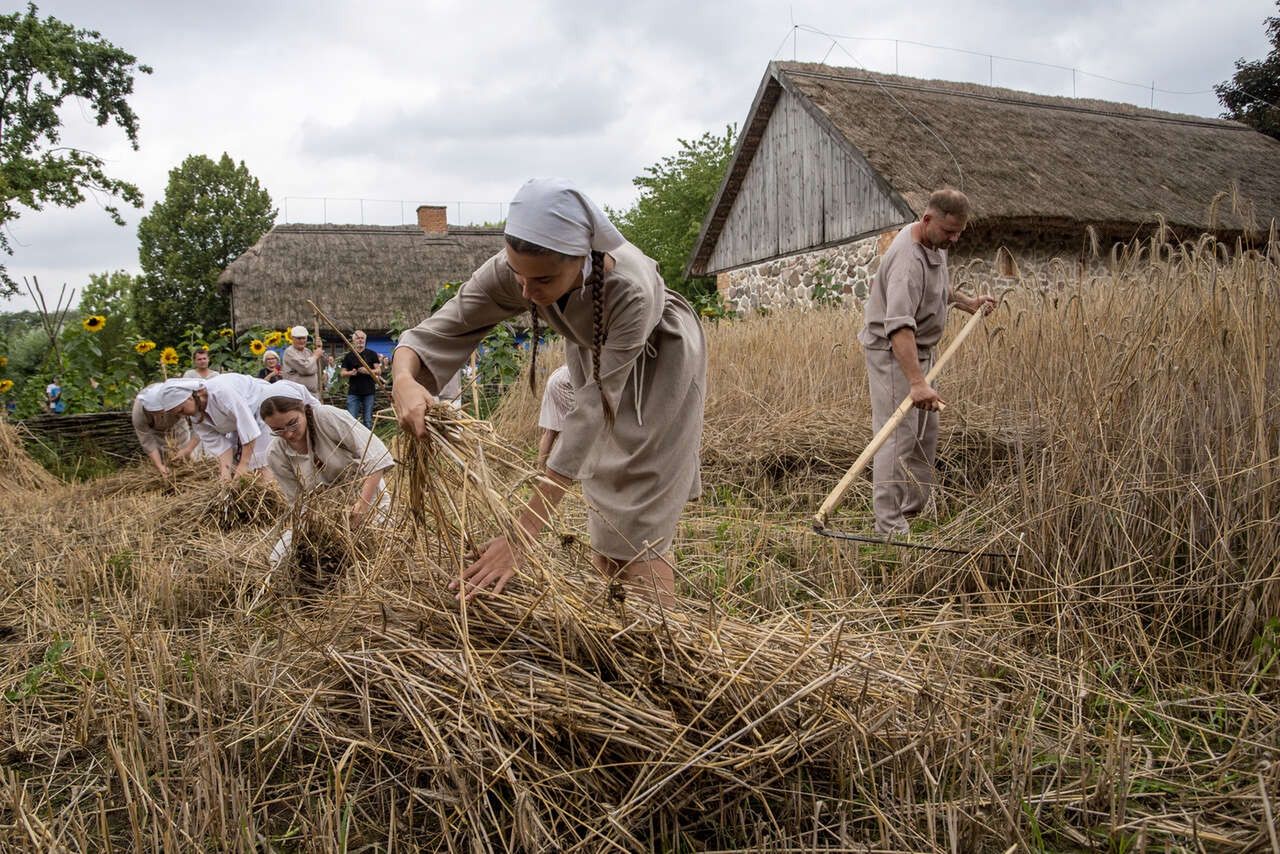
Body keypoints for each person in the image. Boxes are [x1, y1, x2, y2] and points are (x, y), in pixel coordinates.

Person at [393, 178, 706, 606]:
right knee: (605, 494)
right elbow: (440, 328)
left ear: (583, 258)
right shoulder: (520, 270)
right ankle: (616, 633)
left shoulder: (628, 289)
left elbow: (593, 409)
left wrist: (521, 536)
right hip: (594, 354)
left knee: (641, 515)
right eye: (516, 273)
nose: (525, 291)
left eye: (541, 280)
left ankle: (662, 651)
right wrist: (404, 381)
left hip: (659, 364)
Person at [856, 188, 997, 534]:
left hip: (922, 352)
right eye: (949, 231)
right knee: (895, 438)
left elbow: (938, 287)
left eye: (959, 231)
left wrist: (967, 303)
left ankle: (911, 509)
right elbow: (899, 328)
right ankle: (888, 527)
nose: (955, 238)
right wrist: (917, 383)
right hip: (894, 355)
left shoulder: (934, 244)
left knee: (924, 434)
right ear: (928, 219)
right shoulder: (907, 259)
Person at [259, 383, 395, 566]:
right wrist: (317, 529)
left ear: (303, 409)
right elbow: (298, 502)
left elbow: (377, 456)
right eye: (278, 430)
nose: (289, 434)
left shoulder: (326, 417)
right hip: (324, 513)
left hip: (367, 497)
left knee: (378, 554)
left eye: (292, 423)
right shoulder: (275, 453)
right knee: (278, 559)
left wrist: (361, 507)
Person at [142, 374, 318, 481]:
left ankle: (272, 499)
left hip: (261, 408)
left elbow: (248, 428)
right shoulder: (197, 418)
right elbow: (223, 448)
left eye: (181, 409)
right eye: (177, 413)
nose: (182, 415)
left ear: (190, 397)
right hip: (242, 426)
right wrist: (225, 479)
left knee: (262, 461)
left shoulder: (221, 391)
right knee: (239, 469)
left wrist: (243, 466)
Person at [132, 382, 201, 475]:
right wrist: (159, 465)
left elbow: (200, 426)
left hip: (178, 426)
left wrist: (188, 449)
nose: (160, 416)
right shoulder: (138, 414)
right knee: (165, 461)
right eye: (156, 413)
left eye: (162, 412)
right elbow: (147, 441)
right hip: (156, 431)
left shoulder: (176, 398)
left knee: (188, 457)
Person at [340, 329, 381, 428]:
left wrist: (368, 371)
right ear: (353, 341)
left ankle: (367, 442)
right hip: (354, 392)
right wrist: (351, 373)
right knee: (352, 420)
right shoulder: (349, 356)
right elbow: (342, 373)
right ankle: (354, 442)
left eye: (362, 338)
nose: (360, 340)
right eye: (358, 338)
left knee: (367, 421)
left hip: (369, 391)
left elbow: (379, 371)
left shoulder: (372, 354)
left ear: (365, 340)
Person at [536, 364, 574, 471]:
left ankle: (539, 470)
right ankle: (557, 470)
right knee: (572, 426)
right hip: (564, 382)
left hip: (556, 378)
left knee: (550, 430)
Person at [282, 325, 328, 396]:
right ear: (292, 338)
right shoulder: (289, 352)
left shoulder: (308, 351)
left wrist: (320, 348)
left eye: (304, 338)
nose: (302, 341)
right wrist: (315, 356)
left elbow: (321, 366)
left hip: (312, 394)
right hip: (296, 394)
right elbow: (305, 369)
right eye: (299, 338)